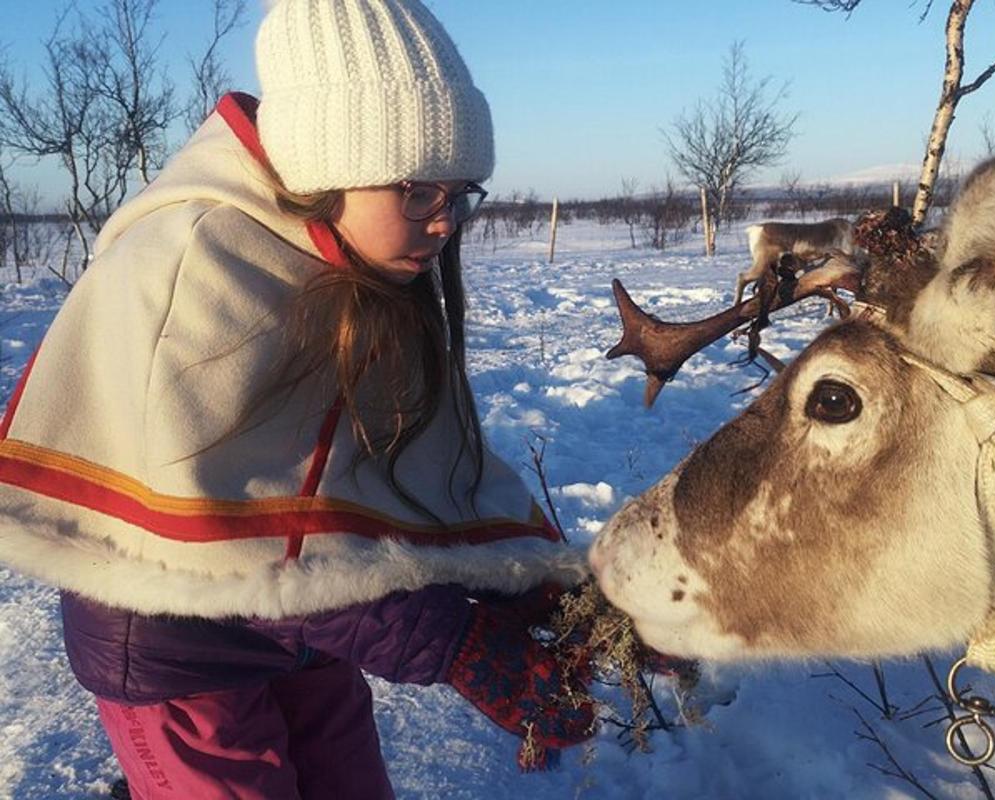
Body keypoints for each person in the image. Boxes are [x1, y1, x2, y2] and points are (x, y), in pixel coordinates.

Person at [0, 0, 594, 797]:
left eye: (463, 193)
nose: (447, 222)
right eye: (420, 190)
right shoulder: (196, 269)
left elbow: (410, 477)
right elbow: (232, 533)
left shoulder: (365, 269)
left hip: (312, 632)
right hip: (177, 650)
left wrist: (548, 591)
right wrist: (448, 639)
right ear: (328, 165)